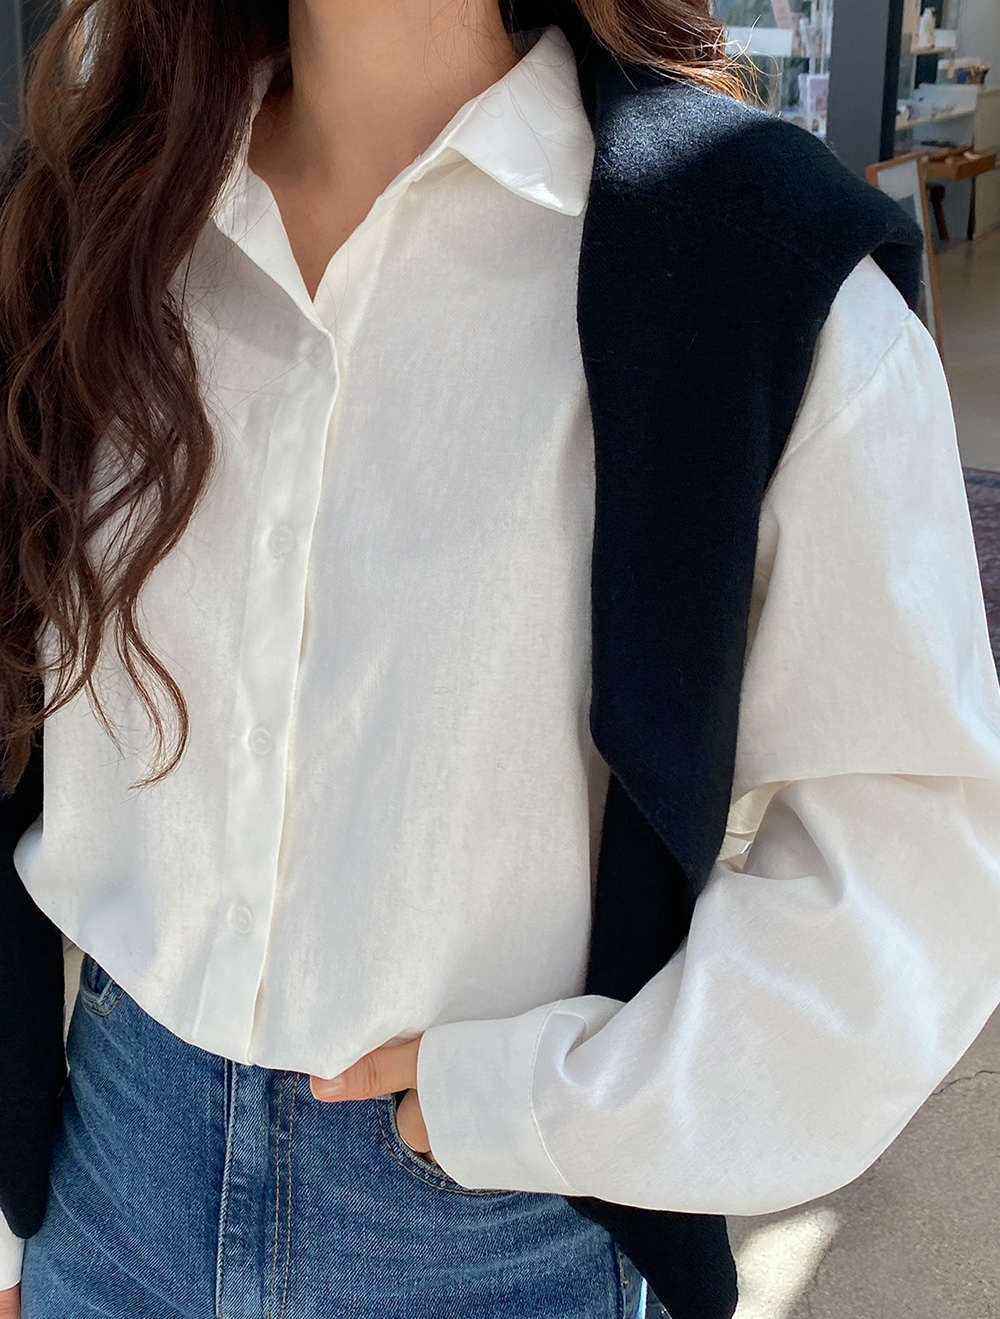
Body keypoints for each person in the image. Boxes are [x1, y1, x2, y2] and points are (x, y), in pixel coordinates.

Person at [2, 0, 1000, 1316]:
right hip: (106, 1172)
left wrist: (557, 1105)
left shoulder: (747, 259)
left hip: (496, 1229)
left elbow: (915, 851)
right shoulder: (81, 217)